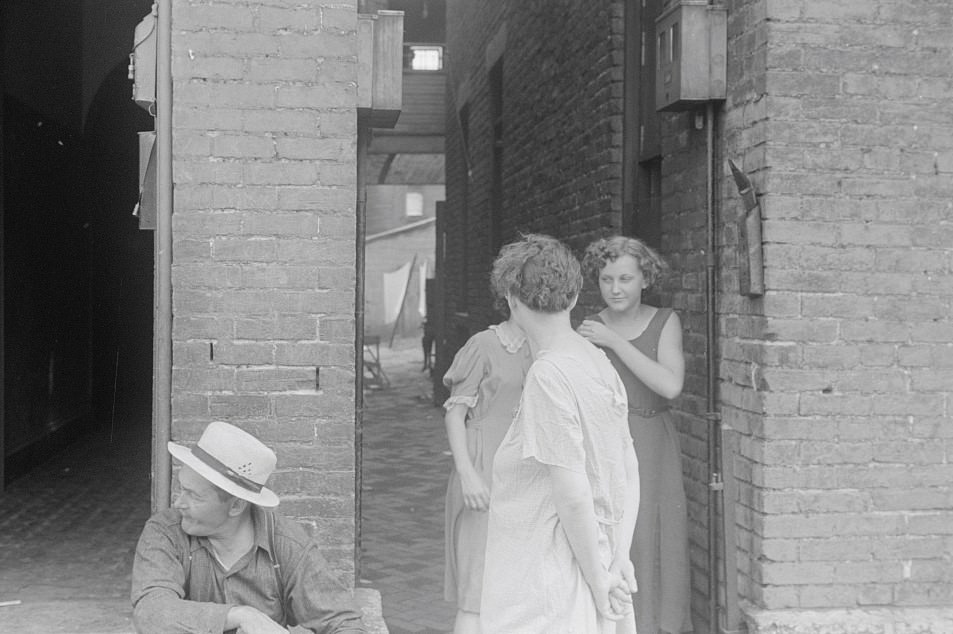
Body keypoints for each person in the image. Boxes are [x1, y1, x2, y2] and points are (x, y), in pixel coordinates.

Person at [480, 234, 640, 634]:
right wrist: (619, 556)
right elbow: (627, 468)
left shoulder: (548, 375)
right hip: (596, 558)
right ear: (573, 297)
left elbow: (572, 492)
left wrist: (598, 578)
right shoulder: (598, 362)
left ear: (512, 301)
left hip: (550, 581)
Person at [131, 421, 366, 634]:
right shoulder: (166, 532)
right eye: (182, 489)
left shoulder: (287, 545)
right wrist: (242, 616)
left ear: (236, 506)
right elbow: (150, 612)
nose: (178, 503)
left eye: (194, 495)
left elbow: (345, 623)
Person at [579, 235, 693, 634]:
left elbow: (670, 385)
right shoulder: (588, 329)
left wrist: (615, 342)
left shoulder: (665, 321)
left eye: (625, 278)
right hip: (607, 443)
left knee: (654, 530)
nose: (615, 289)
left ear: (645, 278)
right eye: (606, 279)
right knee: (616, 536)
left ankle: (658, 625)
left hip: (651, 439)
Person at [442, 250, 533, 634]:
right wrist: (468, 476)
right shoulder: (483, 344)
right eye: (524, 293)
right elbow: (454, 415)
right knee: (476, 593)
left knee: (521, 593)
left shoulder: (548, 348)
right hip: (484, 466)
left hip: (527, 473)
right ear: (509, 295)